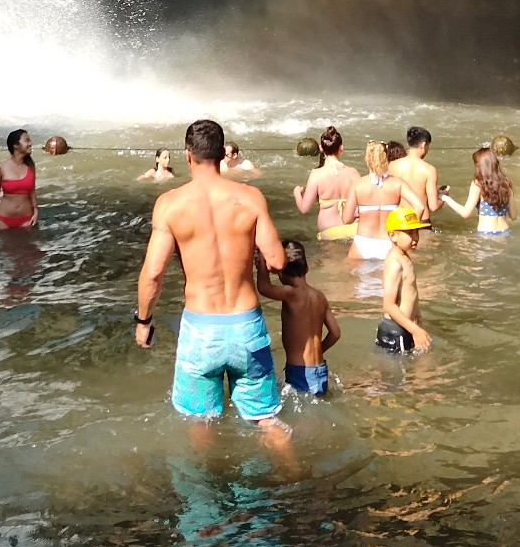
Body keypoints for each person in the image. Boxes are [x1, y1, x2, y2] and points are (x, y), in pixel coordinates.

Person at [134, 119, 288, 439]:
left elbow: (152, 274)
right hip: (247, 325)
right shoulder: (250, 197)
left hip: (201, 329)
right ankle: (293, 478)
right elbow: (276, 260)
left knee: (200, 421)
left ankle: (203, 489)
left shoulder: (169, 204)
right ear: (222, 154)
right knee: (266, 421)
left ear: (188, 156)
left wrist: (143, 320)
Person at [256, 238, 340, 397]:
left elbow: (264, 288)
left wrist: (261, 263)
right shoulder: (319, 296)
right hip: (320, 369)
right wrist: (318, 351)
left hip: (299, 371)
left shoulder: (291, 293)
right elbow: (335, 333)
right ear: (307, 268)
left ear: (280, 271)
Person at [377, 207, 432, 353]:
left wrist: (416, 316)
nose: (415, 237)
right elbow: (389, 305)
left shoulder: (404, 256)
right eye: (409, 233)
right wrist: (415, 330)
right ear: (392, 235)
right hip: (395, 331)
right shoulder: (394, 263)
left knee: (409, 372)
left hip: (404, 327)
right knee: (396, 374)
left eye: (416, 232)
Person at [349, 141, 413, 262]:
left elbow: (346, 219)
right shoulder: (397, 183)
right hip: (388, 242)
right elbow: (419, 207)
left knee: (358, 279)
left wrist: (357, 214)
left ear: (366, 159)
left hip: (363, 241)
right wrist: (408, 231)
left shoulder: (357, 185)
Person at [294, 125, 359, 241]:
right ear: (341, 148)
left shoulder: (317, 174)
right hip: (354, 227)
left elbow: (304, 208)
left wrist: (297, 193)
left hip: (330, 230)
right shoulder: (353, 173)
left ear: (321, 148)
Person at [440, 146, 515, 235]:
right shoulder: (506, 184)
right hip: (505, 233)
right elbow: (513, 216)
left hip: (486, 234)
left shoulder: (478, 184)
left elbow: (465, 213)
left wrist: (445, 198)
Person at [388, 126, 443, 219]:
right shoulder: (429, 170)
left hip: (400, 220)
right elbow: (434, 206)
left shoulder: (392, 166)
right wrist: (443, 196)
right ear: (424, 145)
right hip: (421, 221)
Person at [0, 129, 38, 230]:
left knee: (28, 246)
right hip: (3, 219)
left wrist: (36, 211)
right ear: (15, 145)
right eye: (26, 141)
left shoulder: (30, 166)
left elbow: (32, 191)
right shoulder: (1, 167)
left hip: (27, 219)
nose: (30, 144)